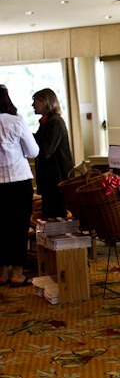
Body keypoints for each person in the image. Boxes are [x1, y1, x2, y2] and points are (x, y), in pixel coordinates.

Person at [0, 85, 40, 287]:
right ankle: (17, 274)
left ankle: (1, 273)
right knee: (19, 227)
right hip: (18, 180)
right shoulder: (16, 121)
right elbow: (33, 151)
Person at [32, 88, 74, 219]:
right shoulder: (47, 122)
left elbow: (46, 151)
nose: (33, 105)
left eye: (35, 101)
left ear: (44, 102)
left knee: (56, 218)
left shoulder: (55, 122)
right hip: (51, 180)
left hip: (57, 180)